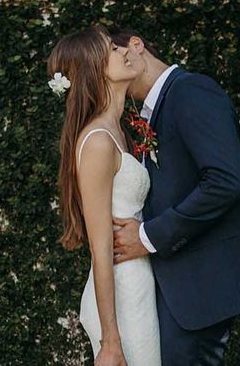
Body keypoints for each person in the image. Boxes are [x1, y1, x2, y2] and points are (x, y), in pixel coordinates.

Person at [109, 28, 240, 365]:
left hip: (201, 284)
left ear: (136, 45)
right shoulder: (149, 111)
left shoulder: (191, 91)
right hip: (176, 282)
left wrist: (148, 236)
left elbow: (226, 181)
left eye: (110, 53)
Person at [47, 25, 161, 365]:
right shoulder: (97, 141)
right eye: (112, 50)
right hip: (123, 295)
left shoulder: (120, 130)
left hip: (139, 282)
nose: (125, 50)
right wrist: (110, 341)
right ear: (94, 70)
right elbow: (101, 251)